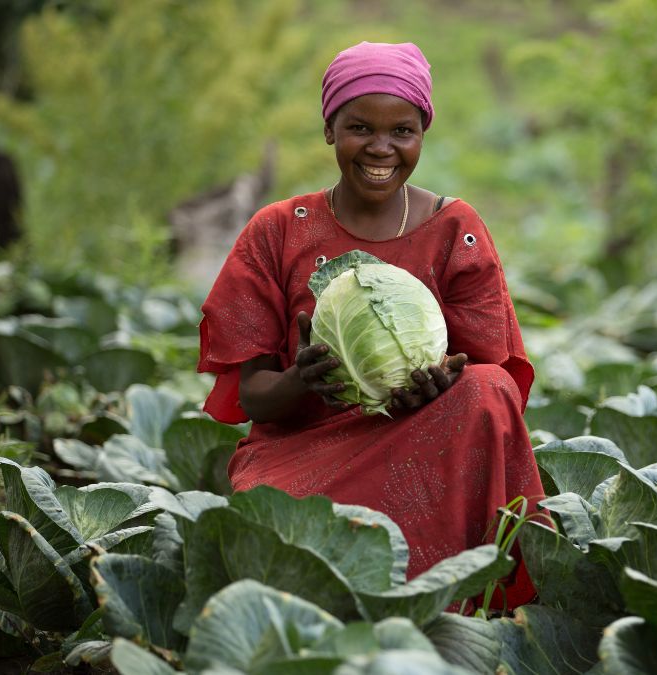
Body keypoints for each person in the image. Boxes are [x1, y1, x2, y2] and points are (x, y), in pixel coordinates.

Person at [197, 41, 544, 607]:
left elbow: (490, 379)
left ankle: (447, 601)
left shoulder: (456, 228)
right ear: (330, 129)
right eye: (360, 127)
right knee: (279, 535)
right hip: (305, 453)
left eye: (402, 132)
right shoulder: (278, 230)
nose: (381, 148)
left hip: (420, 442)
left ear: (422, 134)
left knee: (489, 389)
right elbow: (253, 396)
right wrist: (299, 380)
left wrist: (439, 387)